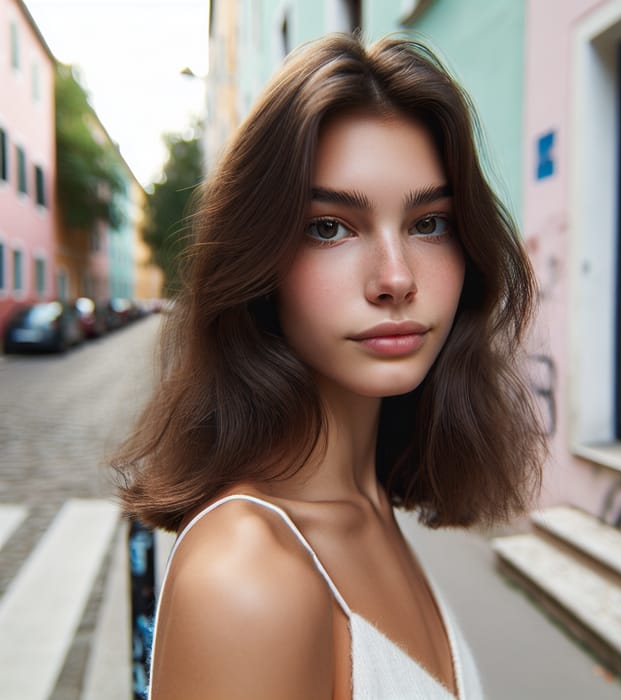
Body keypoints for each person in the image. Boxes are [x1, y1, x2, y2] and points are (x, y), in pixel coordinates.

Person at [115, 33, 545, 700]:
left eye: (430, 223)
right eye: (329, 227)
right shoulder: (245, 578)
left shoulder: (367, 501)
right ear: (259, 264)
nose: (396, 278)